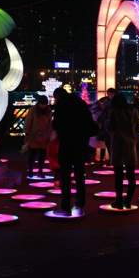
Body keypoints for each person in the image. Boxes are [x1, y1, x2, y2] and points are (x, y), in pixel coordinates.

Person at [52, 87, 97, 217]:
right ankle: (79, 205)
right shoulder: (80, 103)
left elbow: (56, 124)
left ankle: (65, 207)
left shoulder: (61, 104)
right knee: (79, 176)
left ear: (58, 96)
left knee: (65, 176)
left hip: (67, 143)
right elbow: (90, 123)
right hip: (81, 143)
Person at [106, 93, 139, 209]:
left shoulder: (114, 111)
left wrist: (105, 123)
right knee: (131, 176)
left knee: (118, 177)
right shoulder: (134, 111)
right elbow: (138, 128)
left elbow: (110, 127)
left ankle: (119, 202)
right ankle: (128, 201)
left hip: (118, 145)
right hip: (130, 145)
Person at [22, 95, 52, 178]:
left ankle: (40, 171)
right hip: (34, 134)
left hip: (44, 135)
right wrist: (27, 133)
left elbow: (49, 123)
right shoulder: (32, 110)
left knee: (42, 154)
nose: (43, 106)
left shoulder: (48, 111)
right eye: (42, 104)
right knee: (33, 153)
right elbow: (28, 121)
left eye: (45, 104)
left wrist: (50, 135)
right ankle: (30, 171)